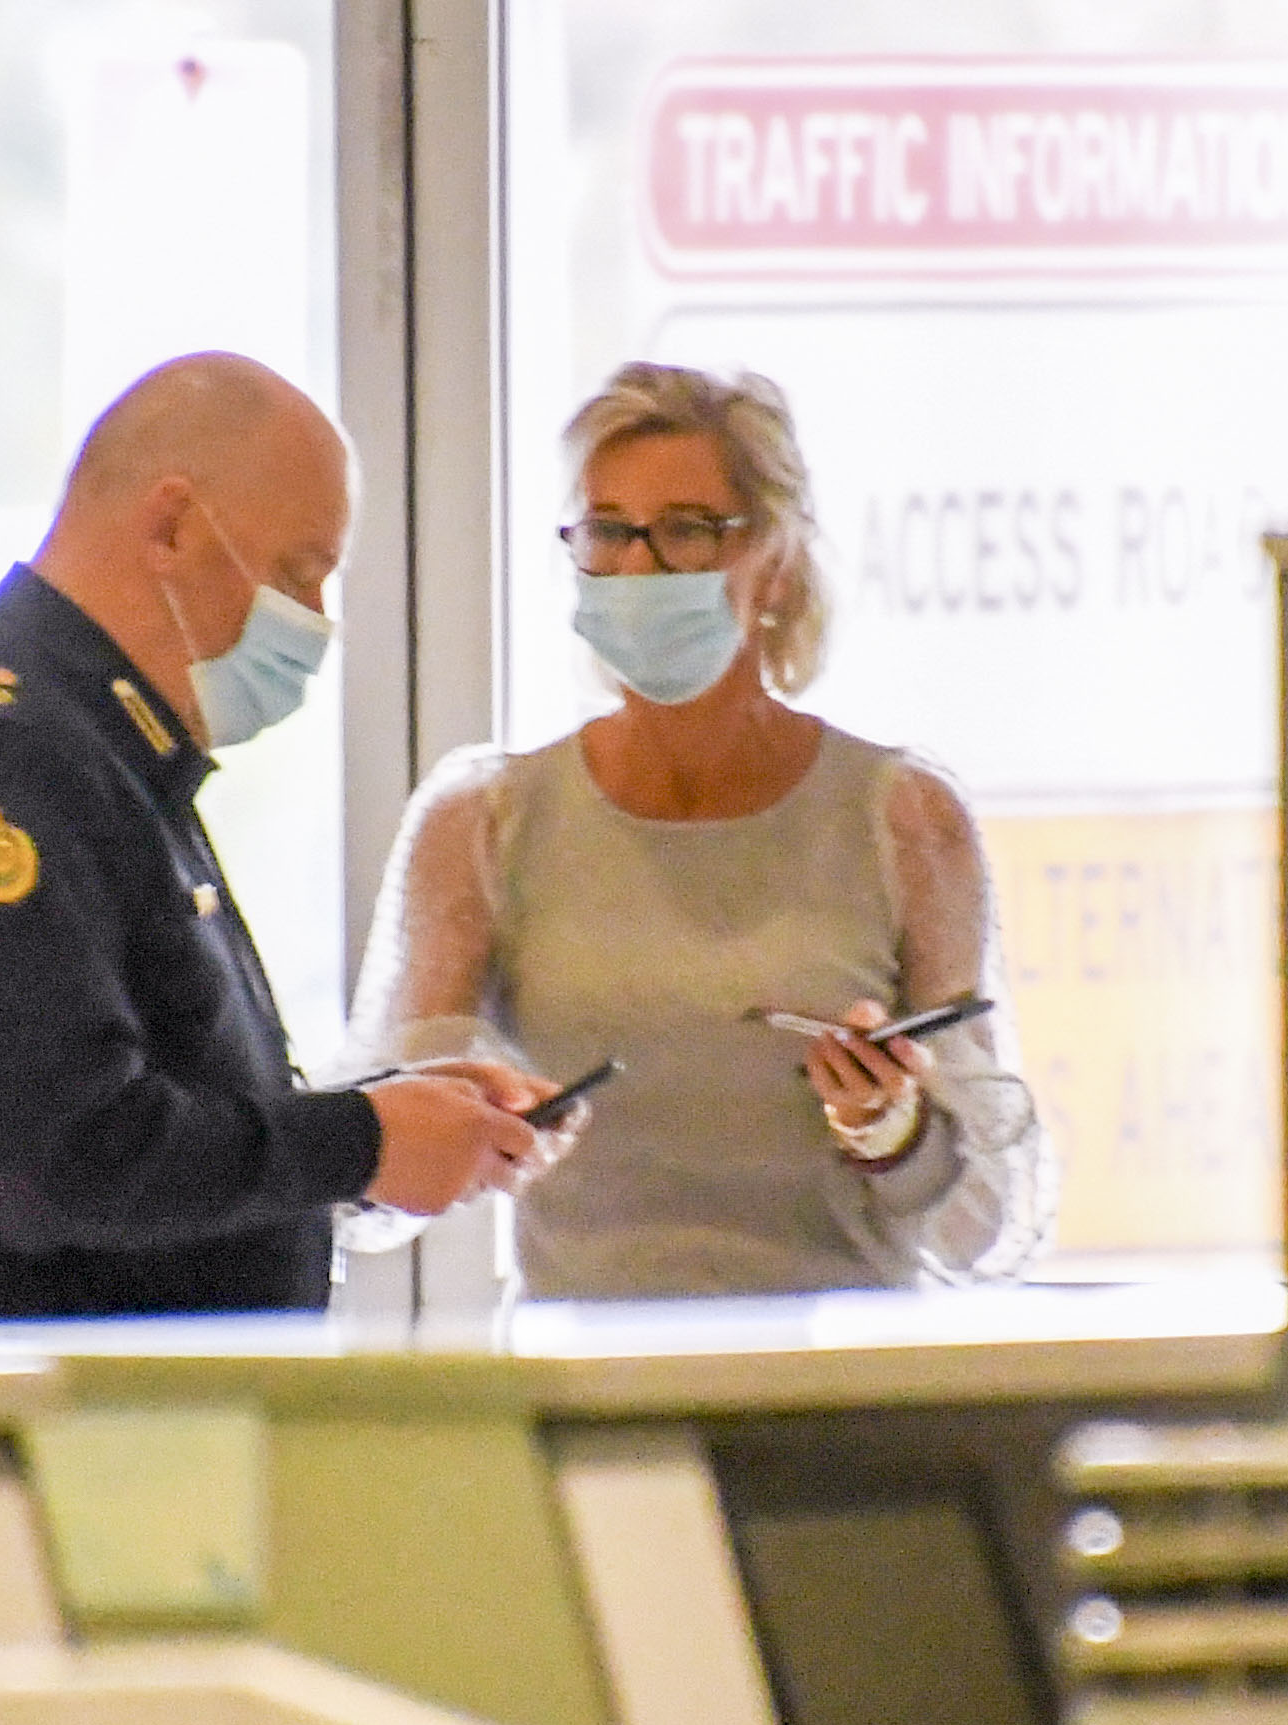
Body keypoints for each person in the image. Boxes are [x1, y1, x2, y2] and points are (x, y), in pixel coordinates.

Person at [0, 352, 558, 1332]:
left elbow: (168, 1104)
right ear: (170, 528)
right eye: (298, 574)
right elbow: (62, 1161)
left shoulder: (106, 751)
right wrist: (360, 1140)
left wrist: (391, 1121)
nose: (317, 624)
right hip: (22, 1403)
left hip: (123, 1401)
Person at [346, 362, 1053, 1300]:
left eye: (685, 530)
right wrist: (472, 1122)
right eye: (609, 530)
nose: (639, 569)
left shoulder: (904, 817)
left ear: (777, 560)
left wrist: (894, 1131)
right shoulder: (483, 821)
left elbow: (988, 1225)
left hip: (839, 1369)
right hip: (582, 1367)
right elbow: (371, 1187)